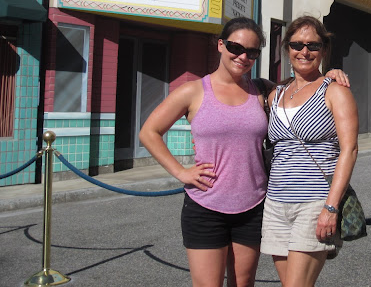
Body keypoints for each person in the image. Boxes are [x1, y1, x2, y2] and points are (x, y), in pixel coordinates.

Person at [139, 16, 349, 287]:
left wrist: (330, 74)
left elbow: (302, 89)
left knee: (243, 283)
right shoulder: (194, 91)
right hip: (206, 206)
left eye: (251, 52)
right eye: (235, 48)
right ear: (220, 45)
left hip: (253, 206)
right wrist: (181, 172)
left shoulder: (262, 91)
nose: (242, 57)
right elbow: (149, 132)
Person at [260, 16, 359, 287]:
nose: (304, 51)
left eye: (313, 45)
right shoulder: (276, 94)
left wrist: (331, 207)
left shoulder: (335, 92)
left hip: (314, 202)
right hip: (276, 204)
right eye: (297, 45)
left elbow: (349, 150)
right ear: (287, 49)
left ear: (324, 50)